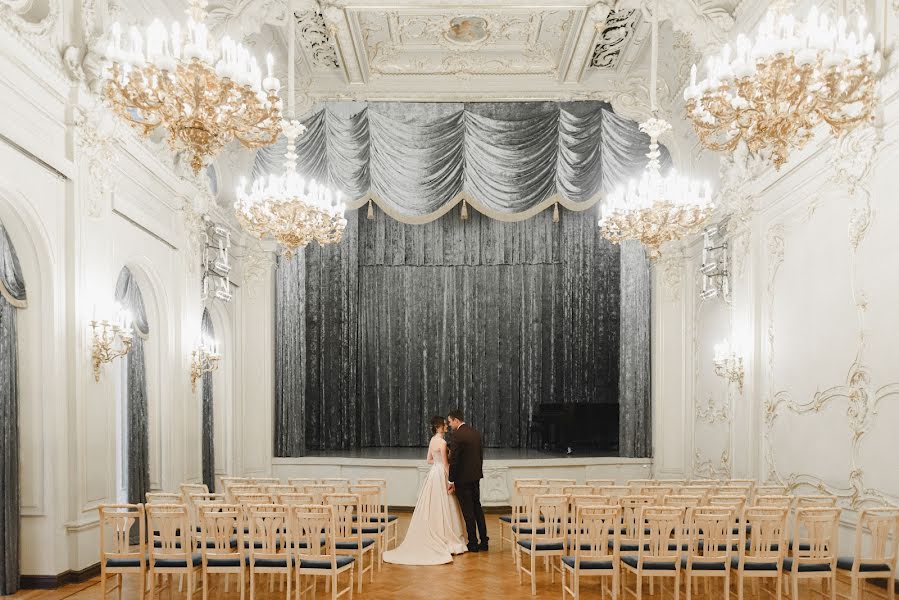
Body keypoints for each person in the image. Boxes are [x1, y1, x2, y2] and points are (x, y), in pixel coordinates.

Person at [383, 416, 468, 565]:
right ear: (439, 427)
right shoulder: (441, 442)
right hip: (441, 473)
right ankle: (448, 539)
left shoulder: (432, 441)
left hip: (433, 473)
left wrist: (437, 463)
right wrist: (451, 481)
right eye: (444, 425)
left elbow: (429, 460)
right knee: (446, 504)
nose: (447, 426)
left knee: (434, 504)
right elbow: (447, 465)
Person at [447, 409, 488, 552]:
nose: (449, 424)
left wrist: (451, 480)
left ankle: (473, 543)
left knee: (468, 512)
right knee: (477, 509)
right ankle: (484, 541)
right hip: (475, 477)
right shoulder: (475, 433)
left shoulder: (457, 435)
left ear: (456, 420)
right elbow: (480, 455)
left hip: (462, 479)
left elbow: (454, 460)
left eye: (450, 421)